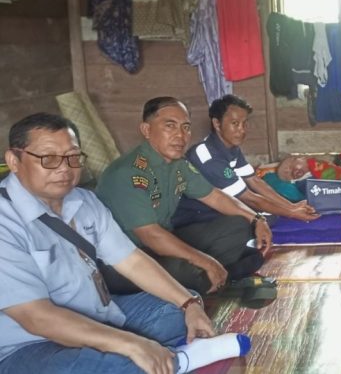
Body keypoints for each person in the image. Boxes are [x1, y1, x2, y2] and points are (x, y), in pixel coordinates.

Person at [0, 113, 216, 374]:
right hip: (31, 344)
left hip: (98, 314)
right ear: (14, 160)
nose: (64, 168)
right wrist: (131, 344)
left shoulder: (84, 201)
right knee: (126, 366)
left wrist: (188, 304)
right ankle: (163, 359)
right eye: (48, 158)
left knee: (181, 314)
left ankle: (164, 358)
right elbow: (36, 317)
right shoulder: (5, 220)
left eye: (72, 156)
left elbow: (132, 261)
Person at [97, 97, 273, 297]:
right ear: (146, 130)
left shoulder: (178, 164)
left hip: (164, 242)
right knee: (187, 271)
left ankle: (212, 276)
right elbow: (152, 236)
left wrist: (257, 219)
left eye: (186, 127)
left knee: (240, 225)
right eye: (170, 126)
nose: (181, 135)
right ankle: (213, 274)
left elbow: (215, 196)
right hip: (125, 260)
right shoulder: (127, 172)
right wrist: (205, 260)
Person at [172, 94, 319, 226]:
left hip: (220, 207)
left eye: (245, 123)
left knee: (268, 215)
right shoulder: (207, 157)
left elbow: (254, 181)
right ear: (217, 124)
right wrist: (291, 212)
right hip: (196, 217)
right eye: (235, 123)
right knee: (253, 221)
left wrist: (291, 206)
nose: (242, 130)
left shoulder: (231, 148)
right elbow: (248, 197)